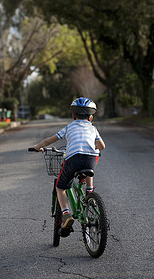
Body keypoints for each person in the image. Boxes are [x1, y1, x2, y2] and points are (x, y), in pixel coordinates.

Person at [34, 97, 105, 230]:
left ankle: (66, 215)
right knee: (91, 159)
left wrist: (38, 146)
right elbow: (102, 146)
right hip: (90, 161)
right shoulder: (93, 129)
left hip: (73, 159)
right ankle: (89, 192)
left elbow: (50, 140)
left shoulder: (69, 127)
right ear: (91, 118)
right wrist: (92, 147)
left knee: (60, 187)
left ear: (73, 116)